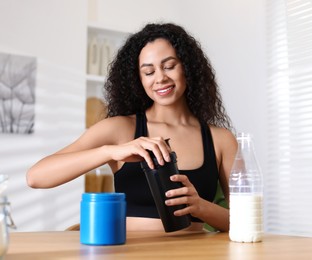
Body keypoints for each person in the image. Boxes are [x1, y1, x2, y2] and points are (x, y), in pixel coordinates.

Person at [26, 22, 237, 232]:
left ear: (188, 68)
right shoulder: (119, 129)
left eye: (169, 66)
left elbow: (245, 222)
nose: (160, 78)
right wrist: (110, 151)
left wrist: (201, 207)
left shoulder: (220, 139)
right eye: (148, 72)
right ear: (138, 79)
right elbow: (36, 177)